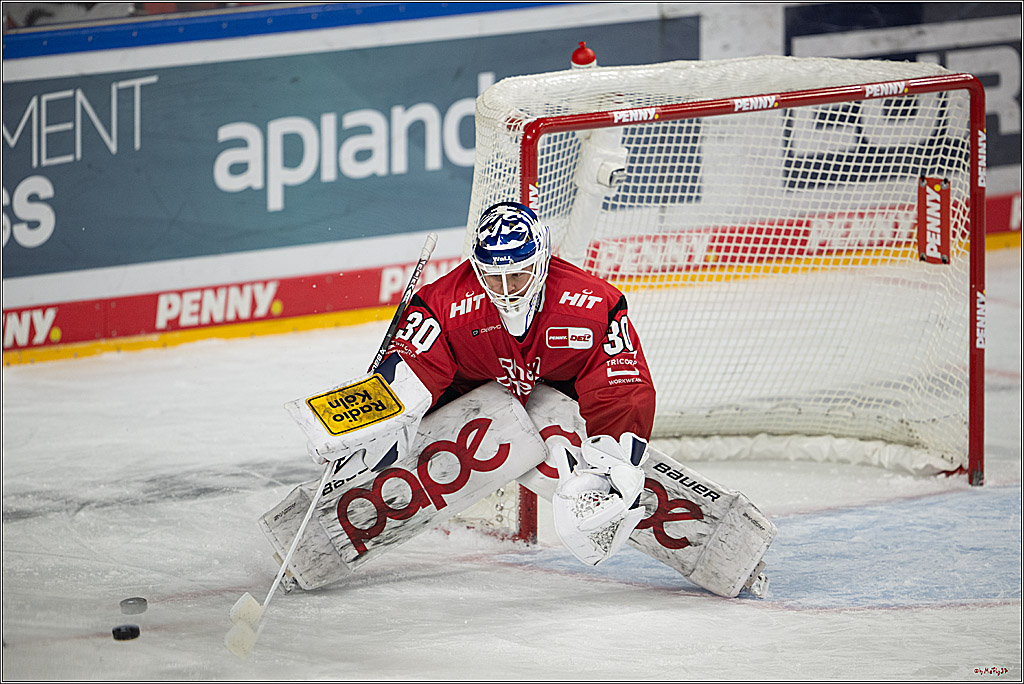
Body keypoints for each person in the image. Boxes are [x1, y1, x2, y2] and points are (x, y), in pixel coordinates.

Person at [383, 200, 657, 565]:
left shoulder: (590, 304)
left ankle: (609, 462)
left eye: (518, 274)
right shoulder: (443, 305)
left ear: (541, 261)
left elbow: (620, 382)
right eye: (494, 277)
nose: (507, 288)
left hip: (560, 386)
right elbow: (410, 371)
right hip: (469, 389)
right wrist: (379, 414)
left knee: (612, 428)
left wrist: (616, 456)